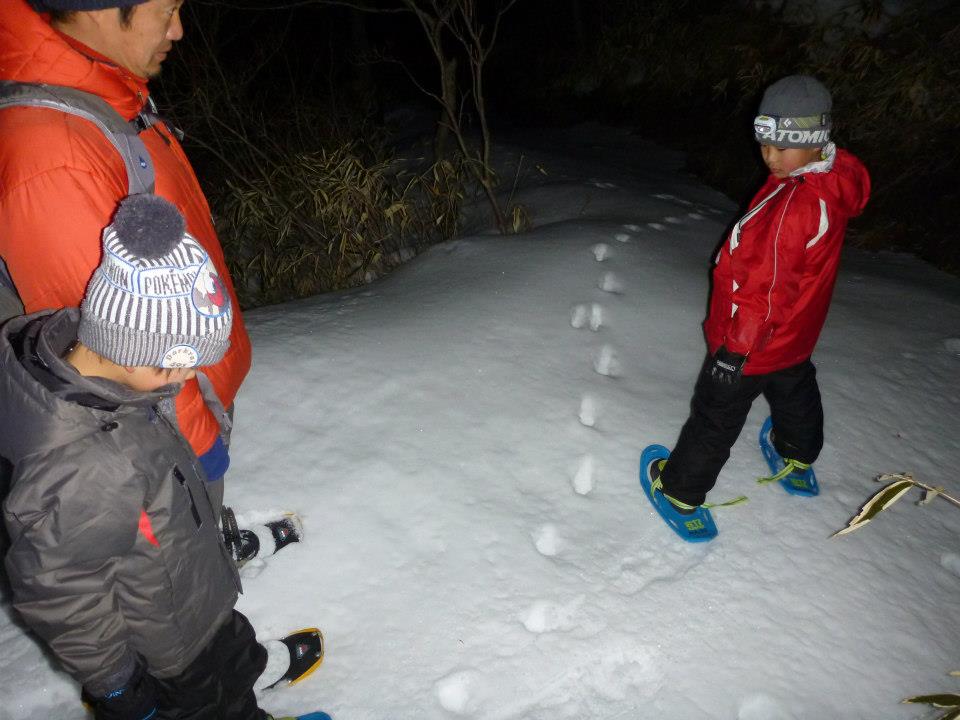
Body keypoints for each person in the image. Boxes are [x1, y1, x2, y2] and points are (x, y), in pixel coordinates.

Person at [0, 195, 326, 720]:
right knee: (212, 705)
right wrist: (117, 687)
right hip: (169, 647)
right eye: (175, 367)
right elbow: (63, 590)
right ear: (122, 343)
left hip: (197, 598)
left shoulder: (116, 389)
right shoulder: (82, 463)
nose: (183, 381)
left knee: (234, 665)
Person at [0, 0, 249, 517]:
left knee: (193, 550)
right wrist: (200, 448)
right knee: (168, 567)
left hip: (187, 393)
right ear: (99, 9)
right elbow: (121, 354)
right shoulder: (56, 151)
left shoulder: (106, 97)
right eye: (168, 9)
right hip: (160, 431)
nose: (179, 30)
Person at [644, 75, 871, 539]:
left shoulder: (793, 207)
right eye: (764, 143)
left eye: (781, 148)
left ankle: (680, 493)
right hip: (795, 335)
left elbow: (763, 291)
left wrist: (734, 352)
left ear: (812, 143)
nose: (769, 157)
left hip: (750, 342)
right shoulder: (831, 180)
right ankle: (798, 457)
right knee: (795, 391)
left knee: (716, 414)